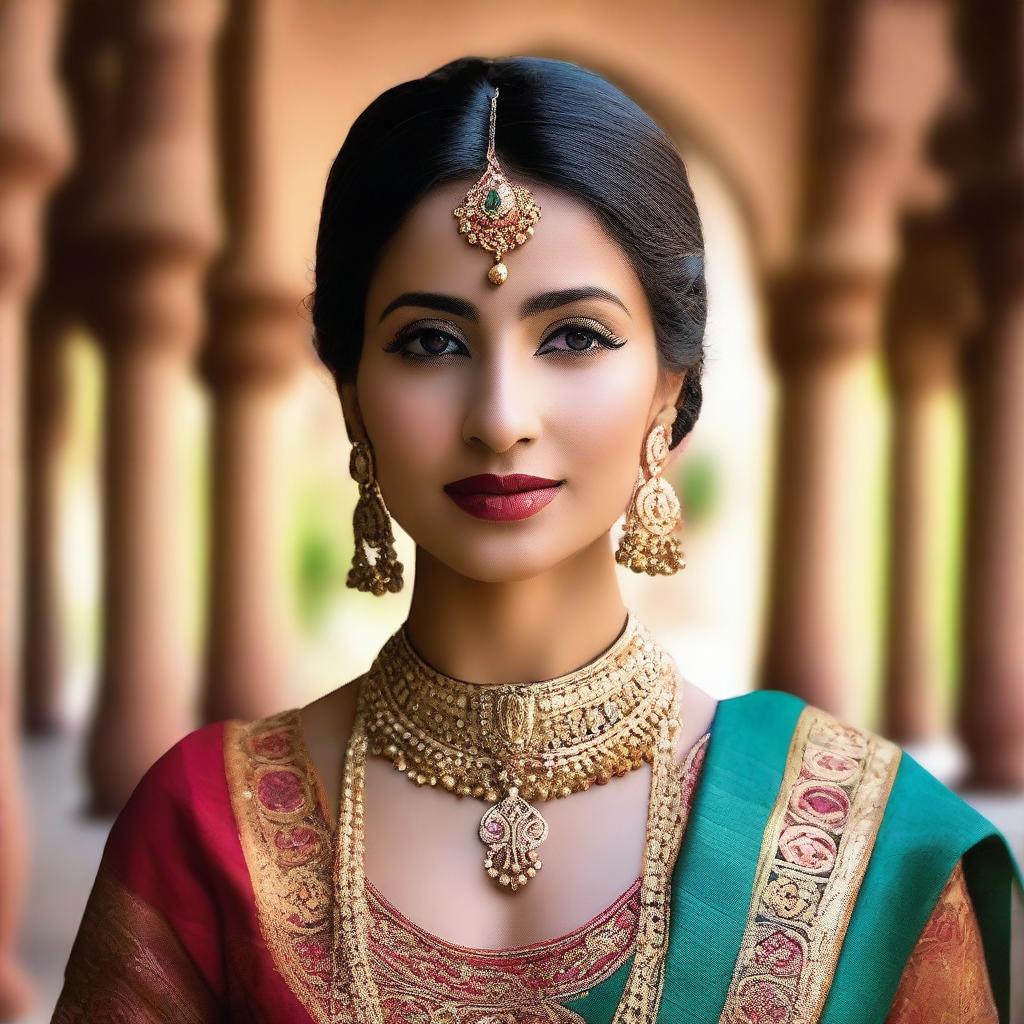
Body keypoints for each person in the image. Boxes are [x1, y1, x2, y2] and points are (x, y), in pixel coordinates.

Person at [53, 55, 1021, 1024]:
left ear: (667, 387)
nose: (500, 415)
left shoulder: (866, 852)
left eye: (573, 336)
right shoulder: (203, 834)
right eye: (431, 341)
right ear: (353, 394)